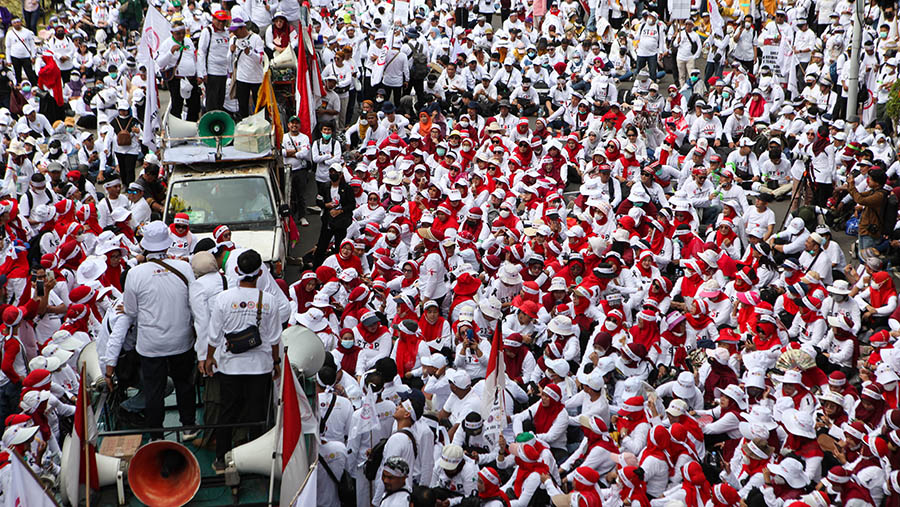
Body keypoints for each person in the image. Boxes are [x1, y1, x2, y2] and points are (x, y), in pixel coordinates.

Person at [103, 221, 197, 440]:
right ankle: (189, 427)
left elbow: (132, 311)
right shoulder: (184, 267)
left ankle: (156, 435)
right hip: (182, 339)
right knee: (185, 384)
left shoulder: (135, 274)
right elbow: (195, 303)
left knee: (154, 391)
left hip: (151, 345)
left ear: (145, 245)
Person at [203, 249, 288, 472]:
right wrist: (276, 363)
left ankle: (220, 459)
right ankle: (254, 459)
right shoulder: (268, 301)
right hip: (260, 366)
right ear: (260, 272)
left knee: (227, 411)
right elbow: (274, 338)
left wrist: (210, 357)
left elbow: (214, 334)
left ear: (237, 270)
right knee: (257, 413)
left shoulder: (223, 298)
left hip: (230, 366)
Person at [157, 21, 202, 121]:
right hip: (177, 80)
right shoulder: (167, 44)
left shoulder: (188, 41)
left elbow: (195, 58)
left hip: (191, 78)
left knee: (194, 105)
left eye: (183, 32)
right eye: (178, 33)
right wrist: (170, 52)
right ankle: (176, 127)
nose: (181, 35)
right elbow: (160, 63)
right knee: (177, 105)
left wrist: (199, 74)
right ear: (172, 33)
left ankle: (191, 126)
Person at [228, 18, 265, 119]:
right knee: (242, 106)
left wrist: (250, 53)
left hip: (256, 78)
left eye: (236, 30)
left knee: (259, 106)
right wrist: (231, 52)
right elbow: (229, 60)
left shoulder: (256, 38)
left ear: (243, 28)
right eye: (233, 31)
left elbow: (261, 58)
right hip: (241, 78)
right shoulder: (233, 39)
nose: (234, 33)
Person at [197, 10, 233, 112]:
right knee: (211, 102)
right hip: (211, 72)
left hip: (223, 72)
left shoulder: (226, 32)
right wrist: (202, 73)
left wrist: (229, 69)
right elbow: (201, 52)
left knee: (220, 101)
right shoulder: (207, 31)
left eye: (223, 21)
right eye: (219, 21)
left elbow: (228, 53)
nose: (221, 24)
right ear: (213, 20)